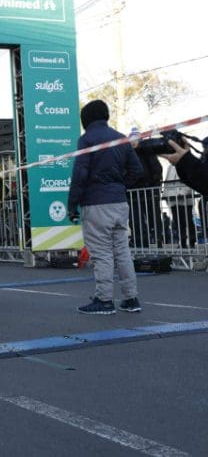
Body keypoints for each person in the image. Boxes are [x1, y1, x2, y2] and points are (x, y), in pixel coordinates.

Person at [68, 100, 143, 314]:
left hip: (96, 203)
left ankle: (104, 300)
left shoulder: (86, 140)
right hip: (119, 203)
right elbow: (136, 170)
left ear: (85, 120)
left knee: (101, 253)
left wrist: (72, 204)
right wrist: (119, 186)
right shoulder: (121, 138)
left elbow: (80, 174)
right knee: (122, 251)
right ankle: (131, 298)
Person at [127, 127, 164, 248]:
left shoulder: (147, 152)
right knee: (136, 219)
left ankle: (158, 239)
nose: (133, 142)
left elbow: (156, 169)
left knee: (153, 216)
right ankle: (140, 241)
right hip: (134, 193)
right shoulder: (128, 155)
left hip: (149, 191)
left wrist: (155, 186)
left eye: (135, 140)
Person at [163, 163, 196, 249]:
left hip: (184, 198)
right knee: (177, 221)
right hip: (173, 198)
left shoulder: (186, 164)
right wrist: (165, 195)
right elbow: (167, 181)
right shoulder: (170, 166)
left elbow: (191, 180)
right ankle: (182, 241)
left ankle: (192, 241)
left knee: (187, 220)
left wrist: (183, 193)